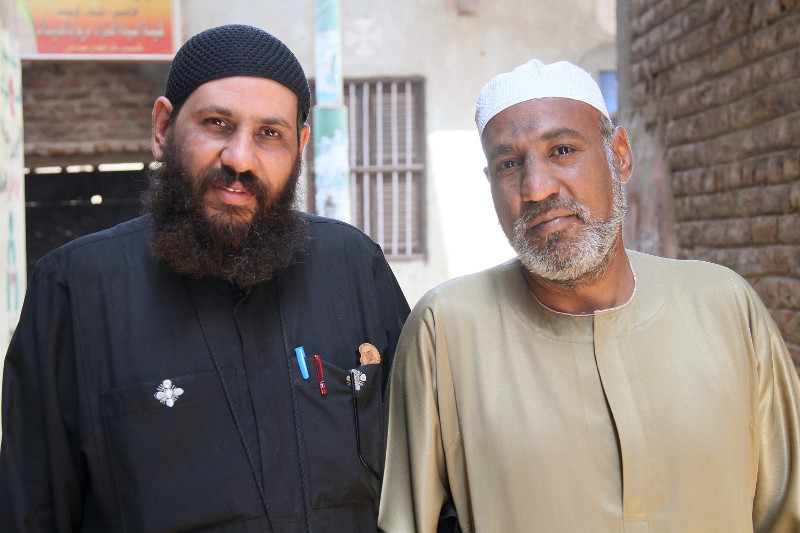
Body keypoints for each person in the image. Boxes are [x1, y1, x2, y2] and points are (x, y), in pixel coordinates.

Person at [0, 24, 409, 532]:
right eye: (217, 123)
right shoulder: (77, 291)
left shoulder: (353, 267)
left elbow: (425, 479)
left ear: (301, 145)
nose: (240, 158)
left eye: (270, 133)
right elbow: (30, 512)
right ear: (163, 126)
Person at [378, 59, 800, 532]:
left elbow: (789, 508)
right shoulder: (446, 329)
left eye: (561, 149)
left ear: (619, 154)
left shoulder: (723, 304)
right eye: (509, 164)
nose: (536, 188)